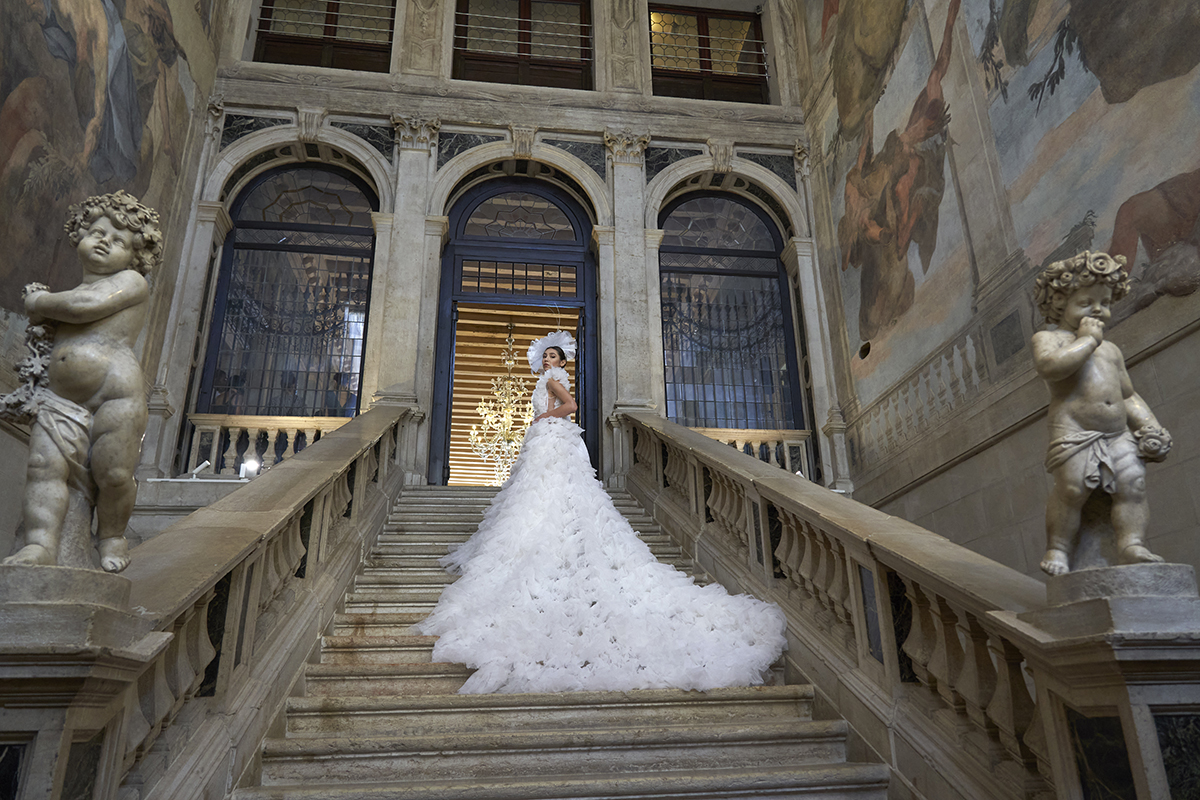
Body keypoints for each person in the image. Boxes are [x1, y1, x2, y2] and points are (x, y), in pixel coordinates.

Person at [414, 331, 788, 694]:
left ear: (562, 362)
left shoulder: (553, 380)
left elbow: (570, 408)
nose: (548, 361)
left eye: (553, 357)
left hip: (553, 440)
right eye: (545, 357)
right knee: (540, 493)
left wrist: (545, 419)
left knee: (551, 489)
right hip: (548, 443)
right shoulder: (547, 378)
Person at [4, 190, 163, 573]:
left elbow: (84, 309)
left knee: (113, 474)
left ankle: (111, 535)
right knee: (42, 465)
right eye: (97, 231)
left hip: (116, 396)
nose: (105, 241)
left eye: (119, 240)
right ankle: (40, 545)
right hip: (61, 398)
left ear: (135, 256)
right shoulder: (71, 291)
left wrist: (39, 303)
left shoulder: (131, 282)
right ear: (79, 235)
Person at [1031, 251, 1172, 576]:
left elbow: (1128, 394)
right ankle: (1059, 548)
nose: (1098, 311)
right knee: (1071, 490)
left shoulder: (1111, 350)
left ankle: (1132, 543)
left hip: (1118, 433)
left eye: (1104, 303)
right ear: (1060, 303)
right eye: (1086, 303)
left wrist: (1150, 426)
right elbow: (1051, 368)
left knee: (1133, 484)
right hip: (1075, 431)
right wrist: (1088, 340)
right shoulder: (1049, 339)